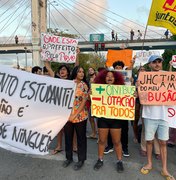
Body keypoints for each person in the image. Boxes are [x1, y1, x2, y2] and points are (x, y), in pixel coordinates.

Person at [140, 55, 175, 180]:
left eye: (159, 61)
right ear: (149, 64)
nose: (157, 64)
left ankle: (164, 169)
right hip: (149, 115)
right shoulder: (144, 78)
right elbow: (140, 94)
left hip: (164, 115)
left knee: (163, 142)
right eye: (154, 62)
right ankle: (149, 163)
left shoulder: (168, 76)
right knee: (149, 141)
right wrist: (137, 90)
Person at [93, 69, 125, 172]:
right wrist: (91, 94)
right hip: (103, 119)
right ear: (103, 78)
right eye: (107, 76)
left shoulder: (121, 89)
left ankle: (119, 161)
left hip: (116, 119)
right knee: (102, 141)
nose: (110, 78)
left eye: (112, 76)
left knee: (116, 141)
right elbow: (93, 100)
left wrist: (133, 96)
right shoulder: (99, 89)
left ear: (116, 78)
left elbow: (127, 100)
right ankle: (100, 159)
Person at [63, 65, 89, 171]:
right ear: (75, 73)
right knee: (68, 138)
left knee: (81, 138)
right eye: (79, 72)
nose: (82, 73)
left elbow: (83, 102)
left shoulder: (84, 86)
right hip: (67, 116)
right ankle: (69, 158)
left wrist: (75, 114)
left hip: (80, 116)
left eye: (83, 71)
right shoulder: (68, 84)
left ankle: (81, 160)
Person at [87, 67, 97, 139]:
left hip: (98, 100)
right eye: (89, 70)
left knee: (99, 118)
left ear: (94, 71)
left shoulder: (98, 78)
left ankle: (100, 136)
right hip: (91, 100)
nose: (90, 71)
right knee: (91, 118)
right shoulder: (88, 80)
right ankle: (94, 133)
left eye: (91, 70)